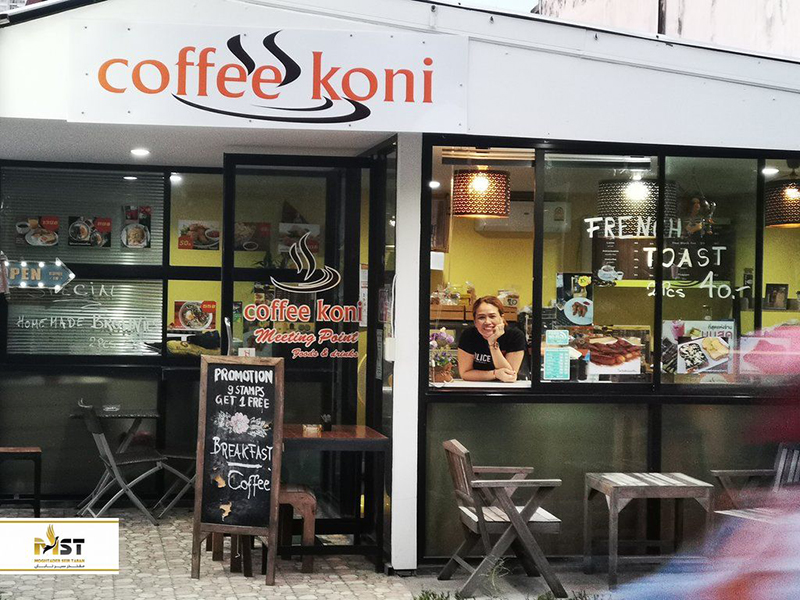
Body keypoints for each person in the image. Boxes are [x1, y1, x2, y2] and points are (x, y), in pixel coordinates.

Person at [457, 296, 526, 382]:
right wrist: (495, 374)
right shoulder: (468, 335)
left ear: (501, 318)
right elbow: (465, 373)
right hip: (477, 386)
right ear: (475, 321)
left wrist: (492, 343)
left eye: (492, 316)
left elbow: (509, 376)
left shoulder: (515, 336)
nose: (487, 322)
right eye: (481, 317)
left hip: (511, 387)